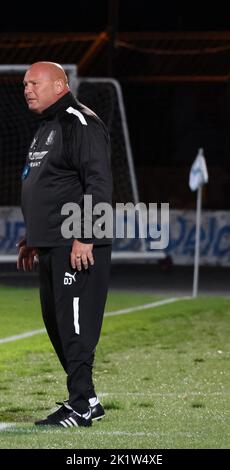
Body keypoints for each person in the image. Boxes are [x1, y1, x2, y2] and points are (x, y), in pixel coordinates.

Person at [17, 62, 112, 428]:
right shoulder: (46, 128)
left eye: (34, 83)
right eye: (25, 83)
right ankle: (87, 399)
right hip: (51, 244)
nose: (27, 89)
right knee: (58, 324)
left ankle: (80, 407)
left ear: (59, 84)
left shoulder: (79, 122)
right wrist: (33, 237)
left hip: (77, 244)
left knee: (74, 326)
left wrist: (85, 235)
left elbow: (98, 184)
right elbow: (48, 185)